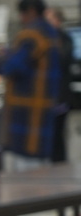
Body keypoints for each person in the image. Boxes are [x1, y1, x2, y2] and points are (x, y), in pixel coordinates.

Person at [0, 0, 62, 171]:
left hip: (27, 116)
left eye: (22, 14)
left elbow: (12, 67)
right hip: (44, 110)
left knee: (26, 173)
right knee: (42, 171)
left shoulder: (31, 35)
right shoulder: (52, 34)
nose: (21, 19)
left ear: (31, 11)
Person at [45, 6, 75, 162]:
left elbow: (63, 60)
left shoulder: (65, 40)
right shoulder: (44, 39)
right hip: (47, 96)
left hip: (61, 96)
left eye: (49, 19)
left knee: (58, 134)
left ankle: (60, 164)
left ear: (57, 21)